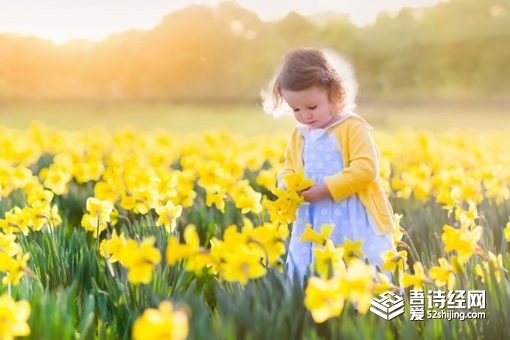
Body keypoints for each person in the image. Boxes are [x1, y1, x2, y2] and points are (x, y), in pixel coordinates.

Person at [263, 48, 395, 281]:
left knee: (358, 270)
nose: (305, 115)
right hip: (311, 218)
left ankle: (369, 313)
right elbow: (289, 168)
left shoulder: (352, 127)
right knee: (314, 273)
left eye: (312, 107)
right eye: (295, 109)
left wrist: (325, 189)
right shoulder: (300, 134)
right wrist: (286, 184)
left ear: (335, 96)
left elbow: (366, 170)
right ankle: (318, 311)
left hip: (353, 214)